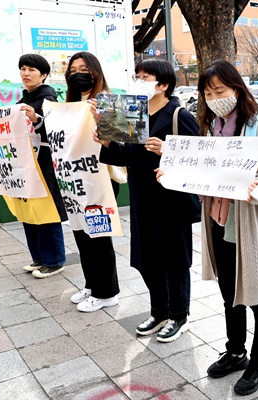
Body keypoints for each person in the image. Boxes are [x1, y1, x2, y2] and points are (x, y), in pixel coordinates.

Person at [95, 58, 199, 342]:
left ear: (163, 84)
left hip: (172, 200)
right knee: (147, 258)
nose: (139, 81)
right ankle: (160, 310)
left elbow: (198, 161)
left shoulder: (179, 115)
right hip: (142, 198)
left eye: (145, 77)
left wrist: (167, 151)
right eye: (137, 76)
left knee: (174, 260)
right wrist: (107, 142)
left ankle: (179, 315)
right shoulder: (132, 112)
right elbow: (127, 155)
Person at [197, 60, 258, 396]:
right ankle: (235, 352)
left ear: (237, 87)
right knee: (229, 294)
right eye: (207, 92)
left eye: (219, 90)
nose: (214, 97)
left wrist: (255, 185)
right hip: (219, 220)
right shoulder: (211, 125)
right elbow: (202, 166)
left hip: (249, 222)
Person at [63, 52, 121, 312]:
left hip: (102, 180)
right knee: (81, 232)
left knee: (98, 236)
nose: (78, 74)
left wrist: (104, 119)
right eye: (73, 71)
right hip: (75, 180)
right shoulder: (69, 106)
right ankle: (91, 283)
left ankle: (107, 292)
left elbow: (122, 143)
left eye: (83, 69)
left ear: (95, 72)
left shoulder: (109, 103)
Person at [18, 54, 67, 278]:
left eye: (32, 70)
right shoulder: (23, 99)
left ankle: (54, 260)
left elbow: (58, 131)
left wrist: (37, 119)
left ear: (44, 75)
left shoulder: (49, 100)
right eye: (23, 69)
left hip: (45, 162)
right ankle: (39, 258)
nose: (26, 73)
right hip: (26, 163)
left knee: (47, 210)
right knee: (29, 208)